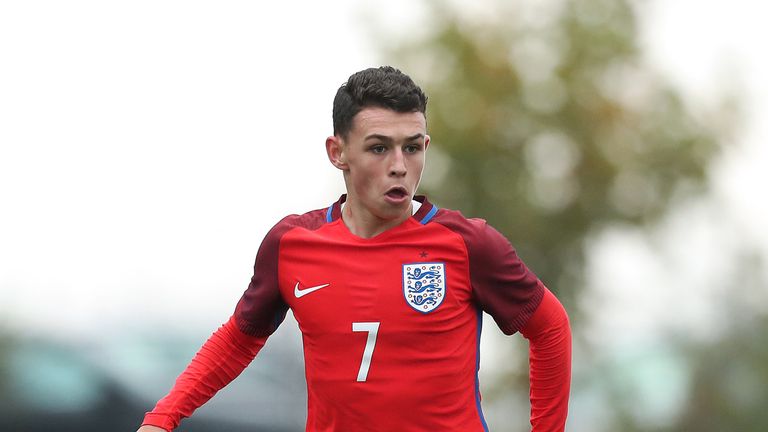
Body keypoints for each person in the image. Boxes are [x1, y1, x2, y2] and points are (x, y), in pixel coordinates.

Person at [137, 66, 571, 432]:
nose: (399, 165)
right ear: (337, 152)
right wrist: (162, 419)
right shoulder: (291, 244)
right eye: (379, 148)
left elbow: (550, 328)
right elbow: (238, 339)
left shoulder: (468, 243)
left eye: (412, 147)